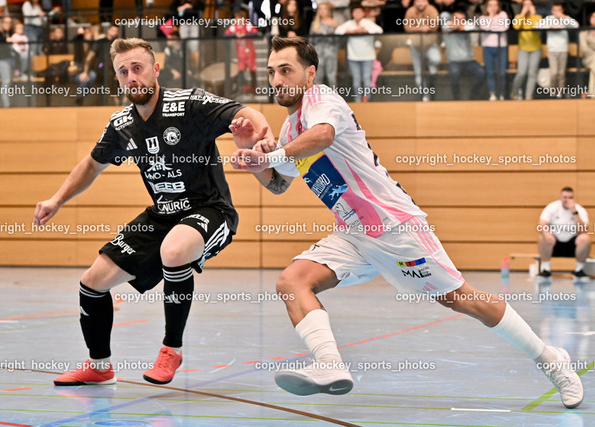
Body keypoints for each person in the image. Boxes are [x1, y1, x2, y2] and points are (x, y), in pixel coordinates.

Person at [230, 35, 583, 409]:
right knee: (292, 282)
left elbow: (323, 135)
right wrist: (248, 149)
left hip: (394, 226)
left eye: (286, 70)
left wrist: (270, 156)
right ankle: (329, 365)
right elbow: (278, 184)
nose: (277, 80)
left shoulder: (321, 99)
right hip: (353, 233)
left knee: (460, 299)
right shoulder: (289, 131)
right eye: (272, 72)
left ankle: (551, 360)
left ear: (310, 73)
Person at [34, 37, 275, 386]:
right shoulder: (122, 124)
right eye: (123, 72)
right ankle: (99, 366)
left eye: (137, 68)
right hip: (161, 214)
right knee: (92, 283)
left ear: (155, 69)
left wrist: (262, 135)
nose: (131, 77)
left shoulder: (188, 104)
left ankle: (171, 349)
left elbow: (243, 112)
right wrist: (56, 199)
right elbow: (92, 165)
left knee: (174, 251)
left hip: (209, 209)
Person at [538, 187, 591, 284]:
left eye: (570, 197)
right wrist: (547, 234)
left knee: (585, 238)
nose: (567, 200)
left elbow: (583, 230)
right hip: (554, 243)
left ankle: (579, 270)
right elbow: (542, 224)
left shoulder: (579, 209)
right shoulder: (552, 207)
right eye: (565, 197)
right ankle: (545, 269)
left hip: (572, 244)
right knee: (543, 237)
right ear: (560, 197)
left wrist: (574, 212)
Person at [335, 3, 383, 102]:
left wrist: (366, 31)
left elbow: (379, 30)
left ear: (363, 13)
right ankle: (357, 99)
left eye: (359, 12)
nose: (357, 14)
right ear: (352, 13)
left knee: (366, 78)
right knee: (356, 79)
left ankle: (367, 98)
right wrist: (350, 31)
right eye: (355, 12)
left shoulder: (368, 23)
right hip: (353, 57)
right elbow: (337, 31)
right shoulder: (349, 24)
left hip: (368, 56)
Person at [536, 1, 579, 98]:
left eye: (559, 10)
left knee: (561, 74)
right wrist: (548, 26)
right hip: (552, 50)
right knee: (554, 73)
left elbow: (576, 25)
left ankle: (560, 94)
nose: (556, 12)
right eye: (555, 10)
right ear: (552, 10)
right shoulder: (549, 19)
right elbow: (536, 26)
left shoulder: (565, 19)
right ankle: (553, 92)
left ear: (562, 10)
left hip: (563, 49)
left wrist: (563, 16)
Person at [441, 9, 485, 100]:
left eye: (461, 20)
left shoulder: (468, 26)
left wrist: (460, 27)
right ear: (452, 18)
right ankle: (457, 98)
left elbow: (472, 27)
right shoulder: (446, 26)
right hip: (454, 61)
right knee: (454, 74)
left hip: (469, 60)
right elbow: (446, 26)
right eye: (456, 19)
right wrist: (458, 26)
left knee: (481, 73)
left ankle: (472, 96)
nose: (459, 21)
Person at [404, 0, 441, 101]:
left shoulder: (432, 10)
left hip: (430, 45)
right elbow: (407, 27)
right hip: (415, 46)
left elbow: (435, 25)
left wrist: (423, 27)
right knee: (419, 75)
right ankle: (425, 96)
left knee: (436, 59)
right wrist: (420, 28)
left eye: (422, 1)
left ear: (427, 2)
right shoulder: (410, 11)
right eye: (418, 1)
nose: (420, 3)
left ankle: (431, 66)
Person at [511, 0, 542, 100]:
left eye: (530, 4)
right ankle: (514, 92)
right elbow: (516, 26)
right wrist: (522, 14)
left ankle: (529, 95)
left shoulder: (537, 17)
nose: (528, 7)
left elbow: (536, 26)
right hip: (523, 49)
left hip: (535, 49)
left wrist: (533, 15)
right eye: (526, 5)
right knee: (521, 73)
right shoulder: (519, 17)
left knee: (532, 73)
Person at [480, 0, 509, 101]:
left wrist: (492, 26)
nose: (493, 8)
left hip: (501, 47)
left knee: (501, 72)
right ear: (486, 7)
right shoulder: (483, 17)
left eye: (495, 5)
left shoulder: (503, 14)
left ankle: (501, 93)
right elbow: (485, 27)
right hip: (487, 47)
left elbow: (504, 28)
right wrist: (491, 17)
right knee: (490, 72)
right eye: (490, 5)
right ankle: (492, 93)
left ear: (498, 6)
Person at [224, 9, 259, 93]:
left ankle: (253, 87)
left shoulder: (247, 25)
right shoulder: (234, 27)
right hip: (240, 53)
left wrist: (245, 35)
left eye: (240, 18)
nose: (238, 20)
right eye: (237, 18)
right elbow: (226, 34)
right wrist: (235, 35)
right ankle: (244, 87)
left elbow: (256, 32)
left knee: (252, 69)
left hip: (250, 52)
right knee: (241, 70)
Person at [309, 2, 338, 88]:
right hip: (318, 53)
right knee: (318, 76)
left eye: (324, 9)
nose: (322, 11)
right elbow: (311, 40)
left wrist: (335, 51)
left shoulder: (334, 23)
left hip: (331, 52)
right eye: (320, 9)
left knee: (331, 76)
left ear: (328, 11)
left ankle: (334, 94)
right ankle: (317, 94)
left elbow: (337, 40)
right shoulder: (314, 24)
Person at [0, 15, 14, 108]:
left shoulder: (8, 33)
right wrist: (7, 40)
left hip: (11, 59)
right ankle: (6, 105)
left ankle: (10, 103)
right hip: (3, 60)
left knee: (11, 82)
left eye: (10, 22)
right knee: (6, 81)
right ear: (2, 23)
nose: (8, 24)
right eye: (6, 22)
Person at [580, 12, 595, 97]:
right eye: (593, 16)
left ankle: (592, 93)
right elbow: (585, 49)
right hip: (588, 58)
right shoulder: (584, 32)